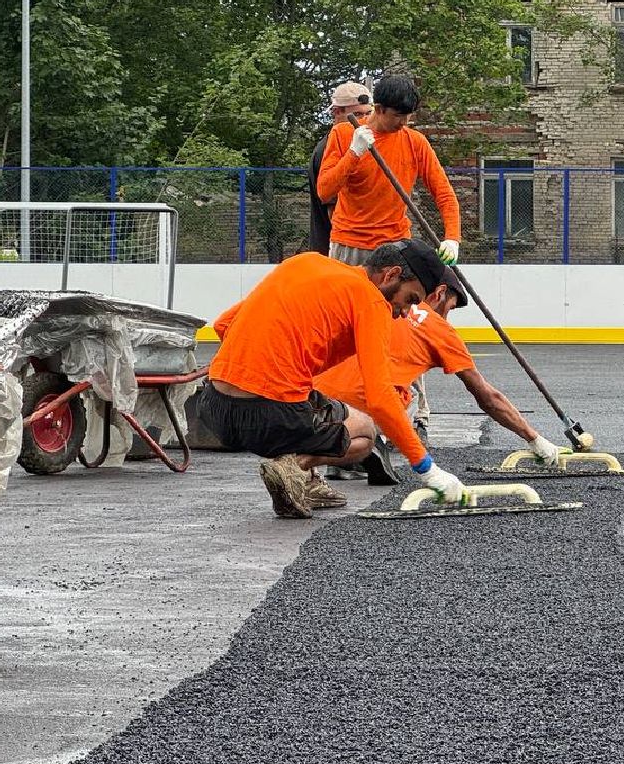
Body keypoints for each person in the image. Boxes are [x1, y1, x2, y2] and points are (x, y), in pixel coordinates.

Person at [197, 239, 470, 517]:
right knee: (365, 432)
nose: (406, 312)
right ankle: (294, 469)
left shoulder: (303, 262)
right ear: (391, 275)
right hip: (271, 417)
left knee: (312, 397)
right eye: (410, 299)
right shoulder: (373, 301)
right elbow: (379, 397)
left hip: (214, 408)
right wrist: (428, 470)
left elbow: (223, 324)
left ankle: (308, 482)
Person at [314, 263, 566, 481]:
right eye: (450, 308)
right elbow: (487, 397)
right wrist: (534, 439)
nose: (447, 317)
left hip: (314, 399)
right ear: (439, 293)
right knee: (410, 396)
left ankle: (335, 456)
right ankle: (360, 446)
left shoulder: (383, 303)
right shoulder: (441, 331)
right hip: (363, 407)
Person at [316, 74, 461, 269]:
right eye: (398, 115)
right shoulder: (343, 134)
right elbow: (324, 191)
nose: (404, 122)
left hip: (396, 246)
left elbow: (444, 193)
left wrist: (452, 238)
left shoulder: (415, 142)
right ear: (379, 109)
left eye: (408, 115)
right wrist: (353, 153)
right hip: (350, 244)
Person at [308, 81, 374, 255]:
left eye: (369, 113)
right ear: (337, 112)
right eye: (357, 114)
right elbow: (333, 208)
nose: (364, 121)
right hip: (339, 248)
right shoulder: (329, 149)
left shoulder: (355, 144)